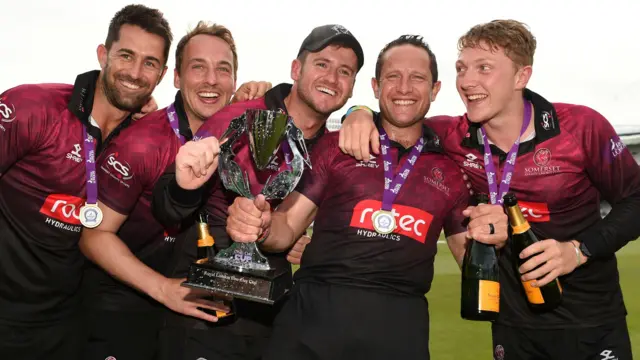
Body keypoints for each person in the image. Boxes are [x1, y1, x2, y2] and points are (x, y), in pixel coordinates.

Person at [338, 20, 640, 360]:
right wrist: (358, 111)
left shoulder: (580, 128)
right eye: (462, 69)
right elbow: (397, 117)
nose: (467, 81)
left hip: (592, 323)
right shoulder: (451, 136)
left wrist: (578, 250)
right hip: (512, 327)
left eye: (484, 68)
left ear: (521, 76)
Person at [225, 34, 509, 360]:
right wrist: (260, 224)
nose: (404, 87)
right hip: (311, 323)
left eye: (417, 78)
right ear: (375, 87)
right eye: (392, 77)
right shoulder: (337, 147)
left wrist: (494, 238)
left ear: (435, 90)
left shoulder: (450, 170)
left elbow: (470, 259)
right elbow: (287, 225)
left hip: (399, 330)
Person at [150, 24, 365, 360]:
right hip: (205, 313)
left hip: (274, 318)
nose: (332, 78)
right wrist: (183, 187)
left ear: (352, 86)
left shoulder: (335, 146)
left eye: (345, 72)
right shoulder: (240, 115)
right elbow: (166, 206)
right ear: (297, 69)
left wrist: (361, 112)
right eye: (321, 64)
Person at [78, 21, 273, 360]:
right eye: (198, 67)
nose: (211, 80)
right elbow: (92, 236)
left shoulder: (245, 137)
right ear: (177, 78)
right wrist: (163, 289)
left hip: (195, 302)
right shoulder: (140, 143)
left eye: (222, 69)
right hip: (125, 301)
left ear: (234, 80)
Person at [0, 4, 170, 359]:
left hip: (68, 325)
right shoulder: (34, 107)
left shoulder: (144, 141)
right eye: (126, 55)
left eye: (150, 63)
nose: (136, 73)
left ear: (163, 74)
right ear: (103, 55)